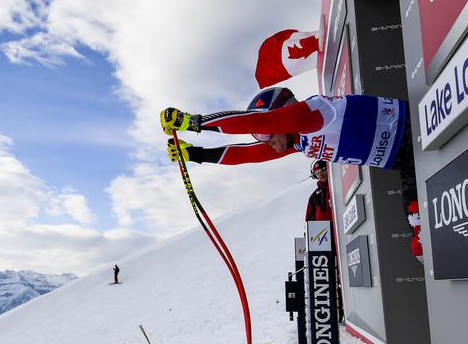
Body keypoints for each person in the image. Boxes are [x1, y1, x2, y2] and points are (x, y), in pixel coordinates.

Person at [162, 87, 422, 261]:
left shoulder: (312, 114)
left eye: (266, 136)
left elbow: (256, 122)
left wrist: (193, 122)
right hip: (403, 160)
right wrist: (195, 154)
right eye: (261, 139)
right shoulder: (300, 142)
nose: (267, 142)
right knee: (421, 246)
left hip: (413, 127)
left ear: (279, 115)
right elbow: (248, 154)